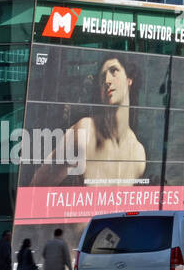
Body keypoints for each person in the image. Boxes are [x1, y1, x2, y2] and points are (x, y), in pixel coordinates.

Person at [33, 53, 147, 187]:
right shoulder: (85, 131)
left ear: (129, 79)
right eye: (102, 77)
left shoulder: (139, 154)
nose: (107, 80)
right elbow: (36, 187)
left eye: (113, 71)